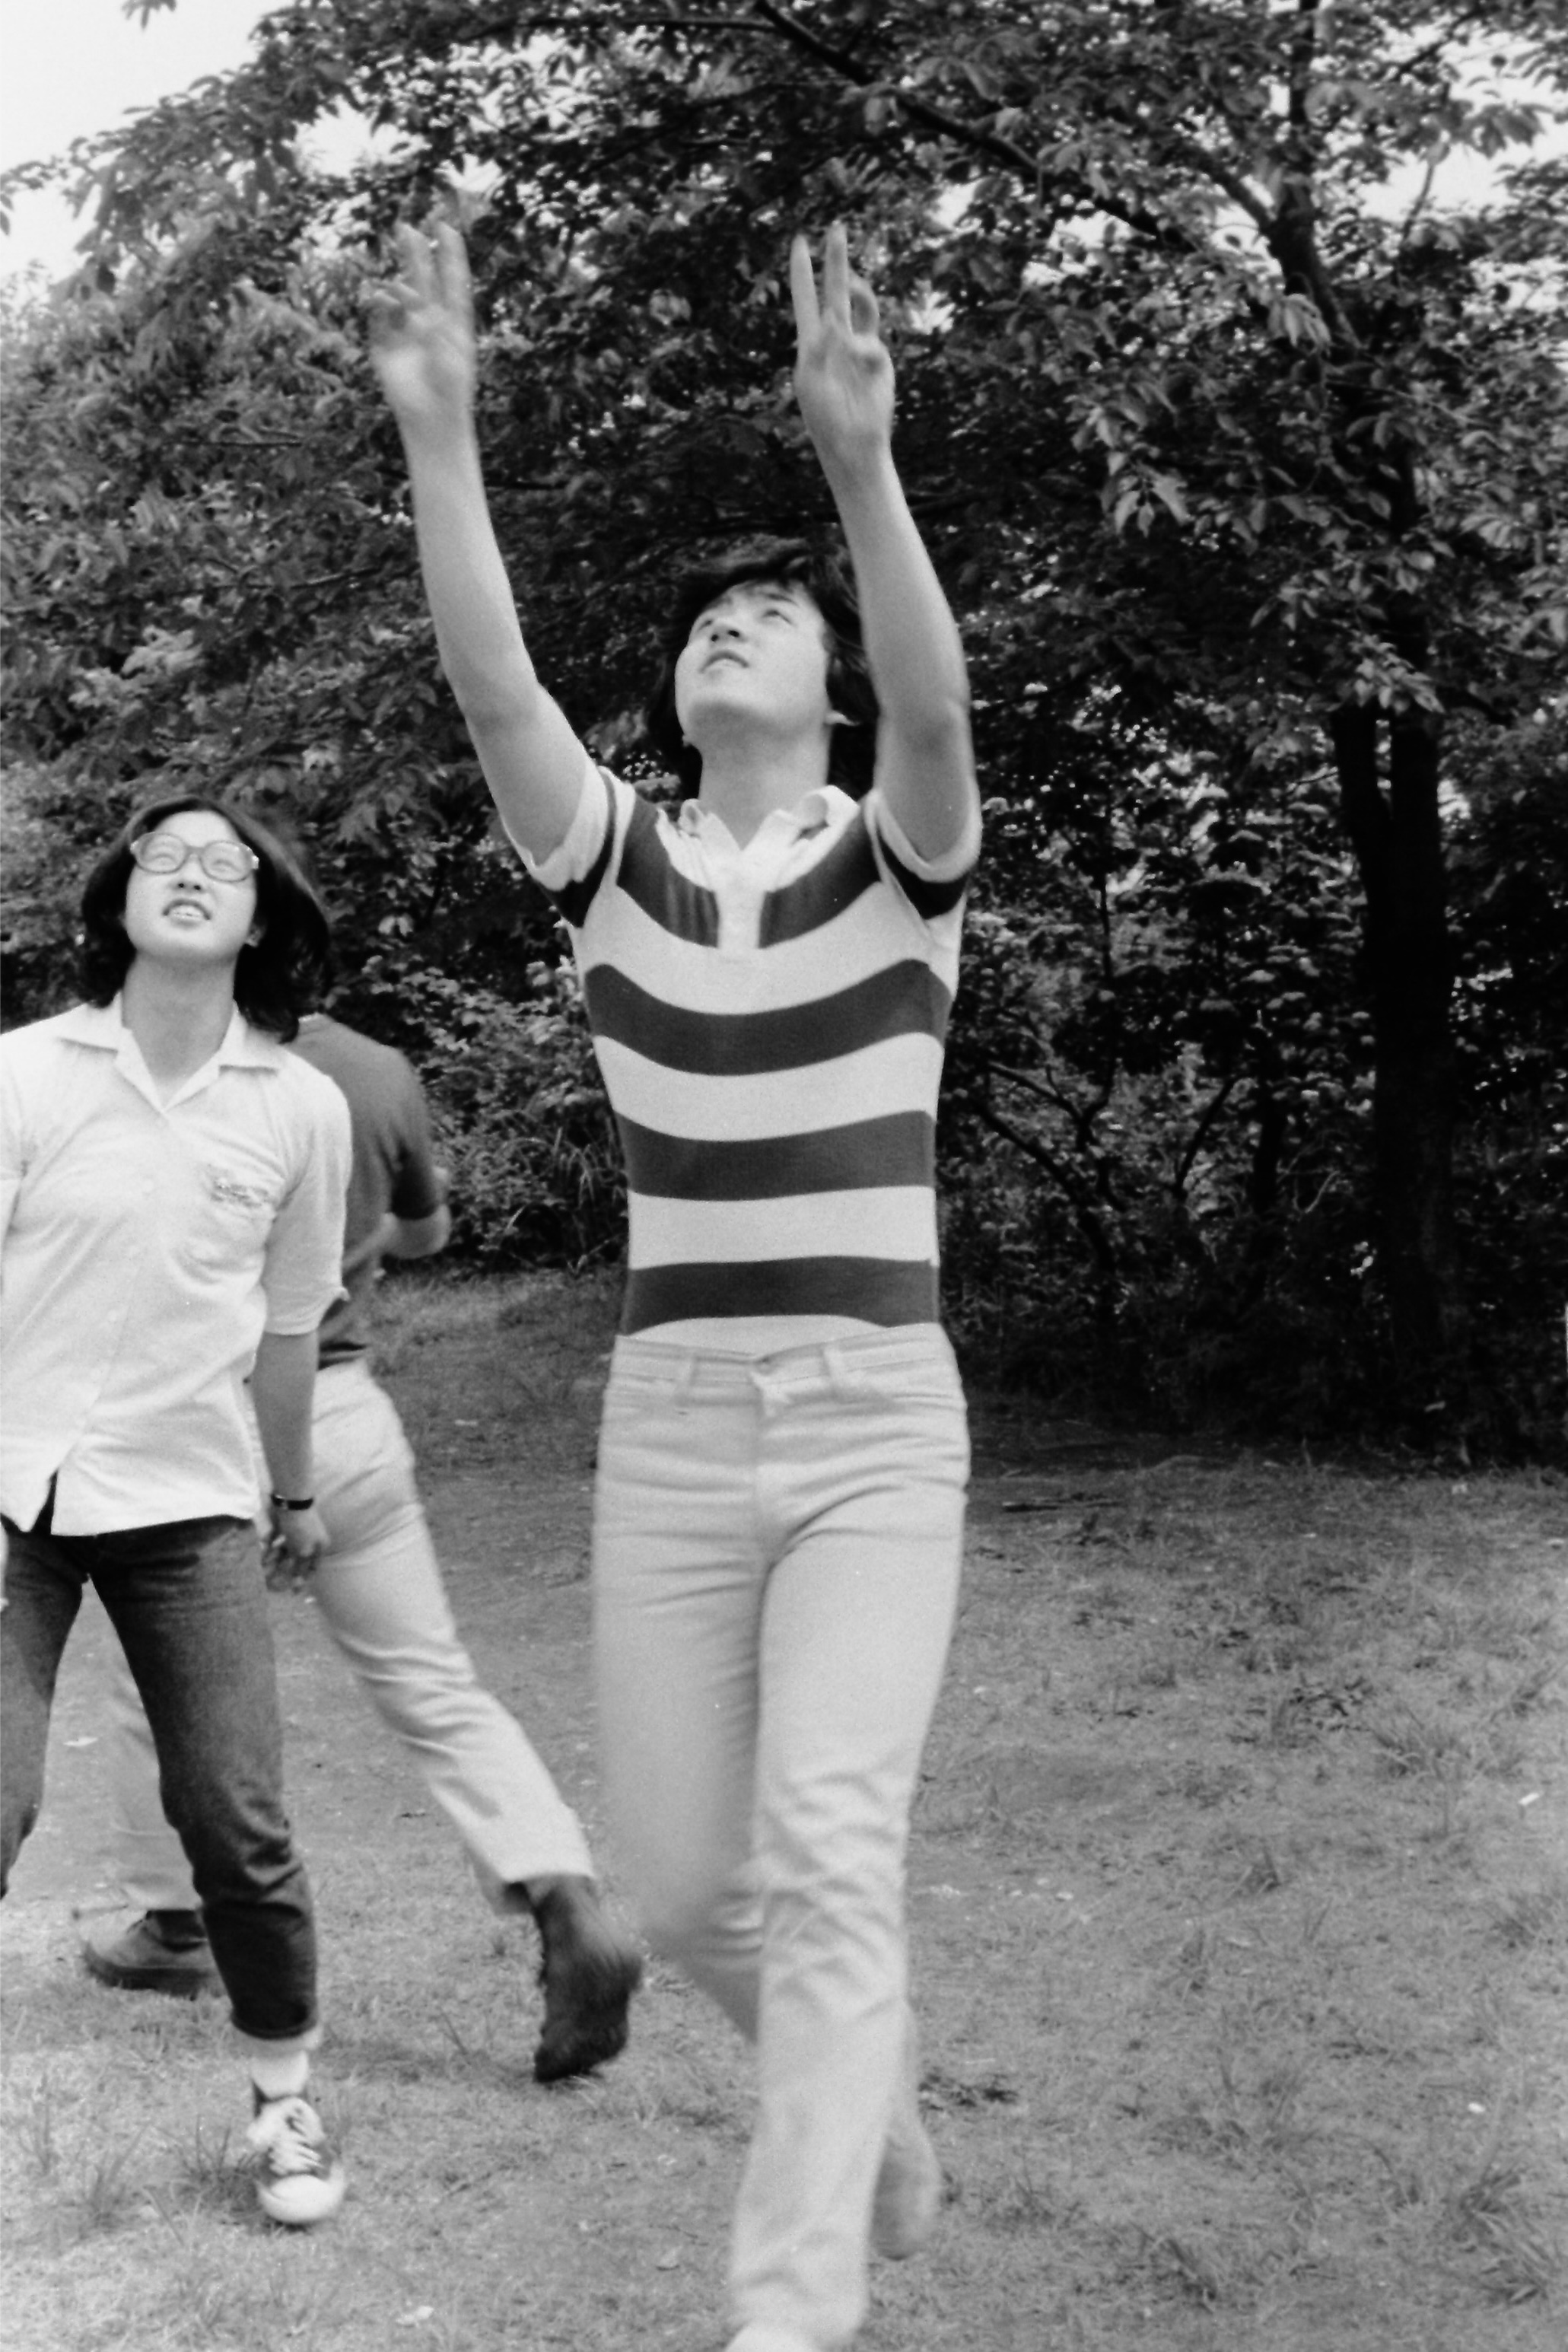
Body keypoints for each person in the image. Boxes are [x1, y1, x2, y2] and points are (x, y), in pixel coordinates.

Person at [372, 218, 981, 2352]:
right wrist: (439, 433)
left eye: (773, 617)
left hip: (872, 1415)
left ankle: (784, 2313)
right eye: (709, 620)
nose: (735, 625)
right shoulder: (614, 860)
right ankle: (869, 2113)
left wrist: (857, 465)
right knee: (693, 1881)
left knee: (827, 1845)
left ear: (826, 693)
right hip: (670, 1429)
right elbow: (492, 689)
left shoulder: (896, 857)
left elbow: (934, 698)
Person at [84, 1006, 643, 2085]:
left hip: (208, 1425)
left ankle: (178, 1925)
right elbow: (426, 1234)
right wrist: (351, 1240)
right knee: (434, 1683)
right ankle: (563, 1892)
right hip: (343, 1417)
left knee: (151, 1680)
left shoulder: (160, 1065)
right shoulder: (376, 1070)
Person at [1, 797, 352, 2226]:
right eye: (165, 856)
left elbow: (290, 1325)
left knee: (233, 1815)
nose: (194, 875)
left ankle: (284, 2104)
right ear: (118, 899)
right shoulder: (25, 1073)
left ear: (262, 917)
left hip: (188, 1502)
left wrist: (295, 1493)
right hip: (13, 1488)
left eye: (228, 864)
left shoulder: (300, 1108)